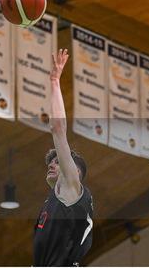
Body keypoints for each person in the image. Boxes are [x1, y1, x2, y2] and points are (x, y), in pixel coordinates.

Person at [33, 49, 94, 267]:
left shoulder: (72, 190)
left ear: (74, 173)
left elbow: (58, 128)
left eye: (58, 161)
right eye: (52, 160)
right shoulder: (53, 200)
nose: (52, 163)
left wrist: (54, 81)